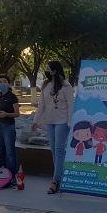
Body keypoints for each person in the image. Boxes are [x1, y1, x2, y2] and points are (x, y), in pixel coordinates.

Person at [32, 61, 74, 194]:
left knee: (59, 150)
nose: (46, 71)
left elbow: (71, 105)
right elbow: (41, 106)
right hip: (50, 121)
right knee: (54, 151)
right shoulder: (46, 85)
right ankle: (60, 177)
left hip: (62, 122)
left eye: (48, 69)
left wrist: (69, 123)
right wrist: (36, 121)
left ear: (55, 71)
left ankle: (55, 180)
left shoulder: (66, 86)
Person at [0, 74, 20, 180]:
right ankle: (1, 172)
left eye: (5, 81)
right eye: (0, 82)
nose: (2, 83)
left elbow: (17, 113)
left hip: (8, 126)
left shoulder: (12, 97)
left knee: (10, 151)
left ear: (8, 83)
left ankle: (12, 175)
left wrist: (6, 114)